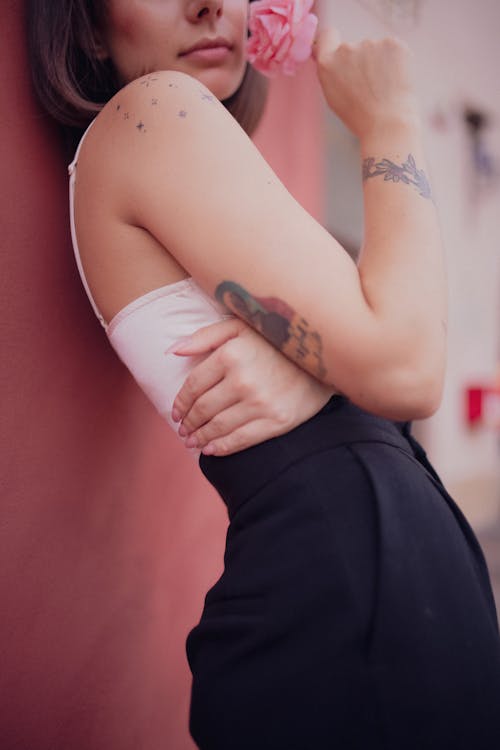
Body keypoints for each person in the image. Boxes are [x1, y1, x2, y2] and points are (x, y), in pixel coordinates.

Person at [28, 1, 500, 748]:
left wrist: (319, 368)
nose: (211, 3)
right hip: (343, 603)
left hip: (374, 595)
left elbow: (381, 349)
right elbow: (407, 364)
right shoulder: (154, 109)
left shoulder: (190, 163)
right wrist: (390, 121)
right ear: (86, 24)